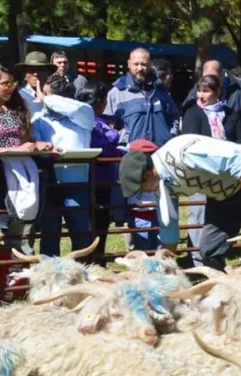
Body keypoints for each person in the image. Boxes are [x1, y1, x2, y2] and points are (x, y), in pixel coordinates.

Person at [117, 134, 241, 271]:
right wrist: (164, 266)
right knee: (210, 250)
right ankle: (226, 293)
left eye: (140, 188)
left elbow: (234, 162)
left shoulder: (182, 154)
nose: (143, 193)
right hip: (223, 195)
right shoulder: (162, 185)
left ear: (147, 176)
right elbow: (169, 226)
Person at [0, 62, 53, 266]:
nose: (11, 88)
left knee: (17, 231)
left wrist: (40, 145)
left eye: (13, 83)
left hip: (22, 175)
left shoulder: (19, 107)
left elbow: (27, 140)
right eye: (5, 84)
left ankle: (10, 276)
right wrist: (14, 151)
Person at [105, 47, 180, 250]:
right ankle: (142, 255)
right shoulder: (117, 92)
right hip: (135, 162)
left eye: (144, 64)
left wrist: (170, 137)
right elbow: (108, 126)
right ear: (129, 64)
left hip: (161, 161)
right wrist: (125, 141)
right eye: (136, 64)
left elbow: (174, 119)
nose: (140, 68)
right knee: (140, 213)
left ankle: (164, 256)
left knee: (164, 207)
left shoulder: (162, 92)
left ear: (149, 65)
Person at [181, 74, 241, 265]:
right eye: (199, 90)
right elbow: (190, 142)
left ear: (217, 92)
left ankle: (217, 254)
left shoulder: (230, 113)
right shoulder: (192, 113)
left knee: (221, 215)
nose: (202, 95)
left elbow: (239, 142)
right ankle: (198, 259)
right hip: (201, 174)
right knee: (198, 213)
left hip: (227, 174)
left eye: (207, 91)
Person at [31, 73, 94, 257]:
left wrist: (47, 97)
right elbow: (35, 145)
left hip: (77, 185)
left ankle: (82, 277)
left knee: (81, 237)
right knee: (49, 236)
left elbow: (69, 107)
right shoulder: (38, 120)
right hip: (49, 183)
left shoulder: (83, 113)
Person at [76, 80, 123, 263]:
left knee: (102, 221)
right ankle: (88, 260)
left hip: (105, 177)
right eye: (104, 100)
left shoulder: (101, 120)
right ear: (97, 101)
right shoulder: (85, 121)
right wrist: (115, 145)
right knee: (90, 223)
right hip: (91, 178)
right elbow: (96, 146)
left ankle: (98, 258)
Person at [180, 58, 241, 138]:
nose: (210, 81)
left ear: (222, 74)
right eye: (206, 77)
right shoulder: (197, 91)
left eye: (213, 77)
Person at [16, 51, 56, 116]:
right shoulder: (18, 95)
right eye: (31, 70)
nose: (36, 74)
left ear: (48, 74)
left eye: (40, 70)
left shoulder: (54, 94)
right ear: (24, 76)